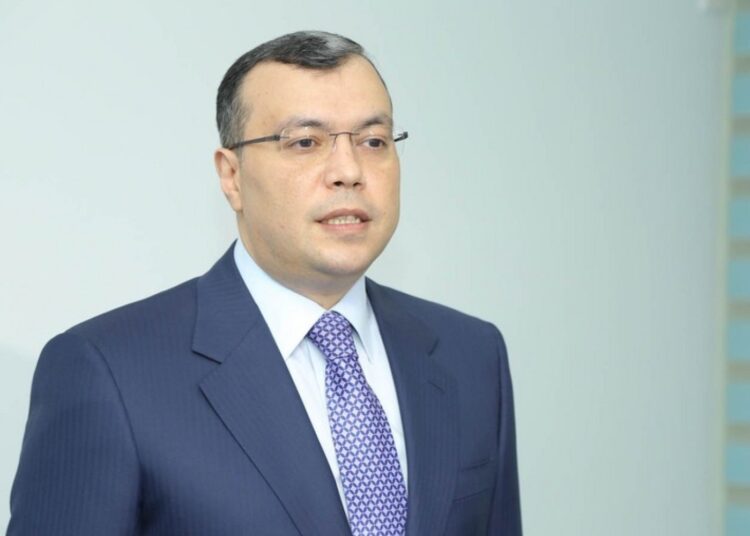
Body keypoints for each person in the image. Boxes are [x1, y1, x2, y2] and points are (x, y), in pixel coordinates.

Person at [7, 31, 522, 535]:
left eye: (373, 141)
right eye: (305, 142)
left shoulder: (471, 354)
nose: (349, 171)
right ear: (231, 176)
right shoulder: (108, 371)